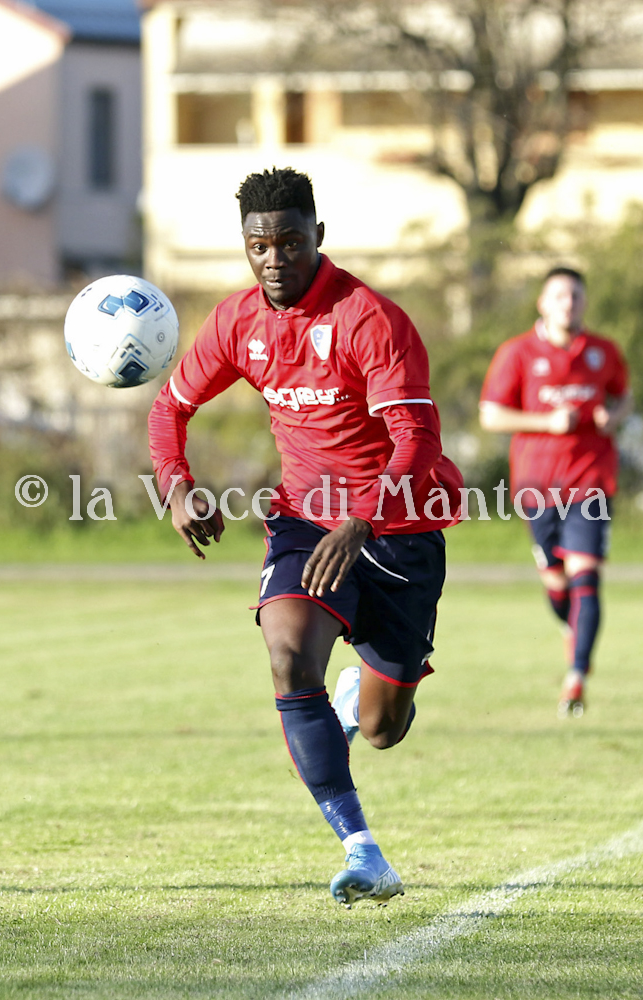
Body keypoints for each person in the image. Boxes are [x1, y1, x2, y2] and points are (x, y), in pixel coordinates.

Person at [148, 167, 462, 905]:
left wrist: (363, 519)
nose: (274, 258)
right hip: (305, 521)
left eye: (290, 241)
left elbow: (416, 439)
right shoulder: (237, 322)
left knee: (383, 729)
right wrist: (176, 485)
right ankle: (363, 852)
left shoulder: (368, 319)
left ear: (318, 235)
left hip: (398, 529)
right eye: (259, 245)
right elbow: (170, 409)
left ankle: (356, 705)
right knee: (288, 657)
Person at [479, 267, 631, 717]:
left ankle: (576, 677)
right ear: (542, 304)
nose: (569, 303)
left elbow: (624, 396)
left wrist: (614, 416)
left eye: (576, 295)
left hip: (591, 481)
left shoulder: (603, 351)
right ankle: (573, 630)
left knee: (586, 576)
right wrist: (547, 422)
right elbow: (491, 415)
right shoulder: (517, 352)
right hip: (537, 486)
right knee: (557, 584)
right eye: (560, 295)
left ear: (585, 302)